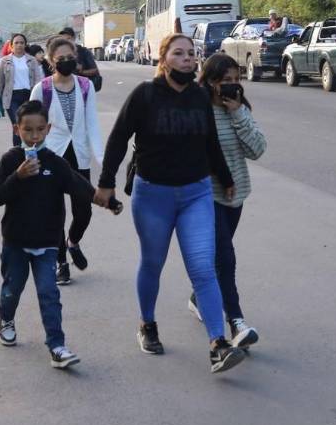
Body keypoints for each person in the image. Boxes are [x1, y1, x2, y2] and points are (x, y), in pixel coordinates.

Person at [94, 33, 246, 374]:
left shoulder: (198, 97)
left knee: (203, 269)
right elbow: (119, 139)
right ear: (163, 59)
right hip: (154, 196)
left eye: (192, 54)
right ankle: (147, 324)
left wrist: (225, 176)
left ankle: (217, 344)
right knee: (153, 262)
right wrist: (105, 183)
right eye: (179, 54)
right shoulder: (145, 95)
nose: (188, 59)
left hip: (196, 193)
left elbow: (210, 142)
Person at [0, 100, 122, 369]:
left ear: (48, 129)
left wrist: (107, 202)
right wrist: (18, 176)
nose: (34, 136)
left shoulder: (55, 162)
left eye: (40, 130)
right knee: (12, 290)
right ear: (17, 129)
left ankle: (57, 345)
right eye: (28, 130)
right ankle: (6, 318)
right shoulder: (10, 160)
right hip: (15, 242)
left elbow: (79, 186)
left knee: (49, 294)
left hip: (48, 243)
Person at [189, 52, 266, 349]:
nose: (233, 86)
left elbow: (257, 149)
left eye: (237, 80)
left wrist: (237, 113)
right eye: (225, 81)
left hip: (236, 197)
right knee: (225, 257)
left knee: (215, 258)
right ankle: (236, 321)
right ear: (210, 82)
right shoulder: (198, 108)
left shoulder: (238, 109)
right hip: (204, 195)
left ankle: (199, 294)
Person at [31, 36, 103, 286]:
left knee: (84, 209)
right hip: (53, 154)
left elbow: (92, 123)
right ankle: (61, 262)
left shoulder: (85, 86)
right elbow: (31, 126)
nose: (67, 62)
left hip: (79, 154)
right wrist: (29, 156)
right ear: (51, 61)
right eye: (61, 59)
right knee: (54, 213)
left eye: (70, 58)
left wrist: (102, 158)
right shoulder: (43, 89)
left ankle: (73, 242)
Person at [0, 33, 44, 147]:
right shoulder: (4, 61)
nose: (19, 45)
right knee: (17, 124)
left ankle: (28, 150)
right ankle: (17, 152)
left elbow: (38, 81)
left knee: (28, 125)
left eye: (22, 43)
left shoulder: (32, 60)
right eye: (16, 43)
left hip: (28, 96)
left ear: (25, 45)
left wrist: (40, 99)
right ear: (11, 45)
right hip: (12, 97)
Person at [58, 27, 101, 91]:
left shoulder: (84, 51)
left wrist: (81, 71)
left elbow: (94, 70)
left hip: (82, 89)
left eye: (68, 38)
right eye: (63, 40)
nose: (66, 42)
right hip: (65, 88)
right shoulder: (58, 53)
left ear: (74, 38)